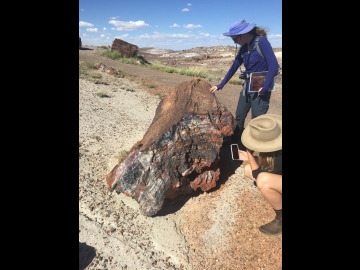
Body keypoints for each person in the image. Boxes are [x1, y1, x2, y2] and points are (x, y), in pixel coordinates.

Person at [210, 19, 279, 148]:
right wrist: (221, 84)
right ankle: (238, 145)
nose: (234, 42)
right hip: (247, 88)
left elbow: (274, 65)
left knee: (257, 122)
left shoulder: (261, 42)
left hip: (260, 90)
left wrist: (265, 87)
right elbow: (234, 66)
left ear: (244, 34)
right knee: (239, 117)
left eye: (235, 39)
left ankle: (254, 150)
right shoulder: (244, 48)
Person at [238, 113, 282, 236]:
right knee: (248, 169)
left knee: (262, 180)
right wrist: (248, 157)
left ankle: (281, 218)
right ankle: (272, 192)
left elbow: (259, 175)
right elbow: (270, 164)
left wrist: (250, 154)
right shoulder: (277, 148)